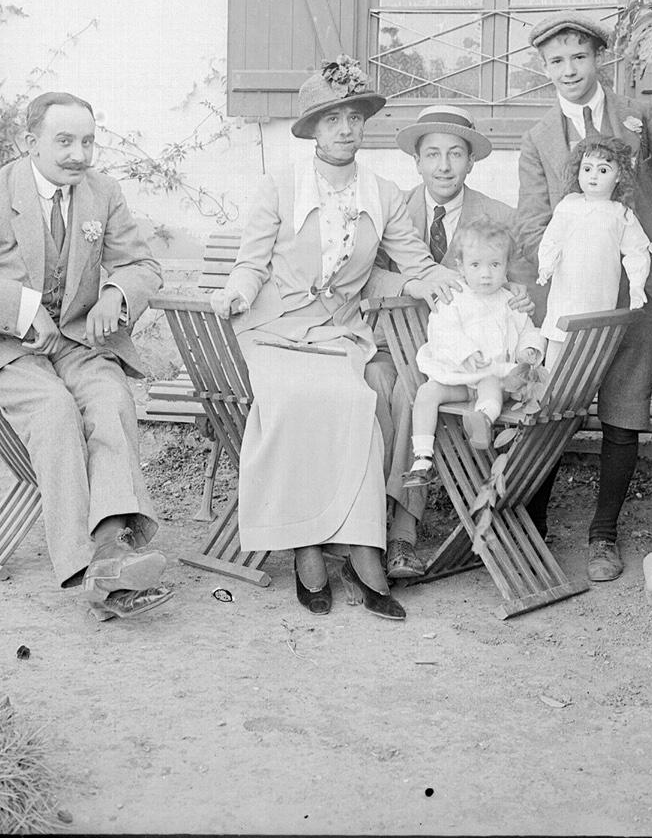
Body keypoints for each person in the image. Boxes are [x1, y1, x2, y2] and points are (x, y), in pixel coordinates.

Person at [210, 57, 461, 621]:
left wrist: (435, 281)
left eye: (353, 118)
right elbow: (251, 263)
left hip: (338, 331)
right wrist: (236, 293)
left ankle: (363, 549)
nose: (345, 129)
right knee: (295, 401)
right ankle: (306, 547)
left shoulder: (383, 193)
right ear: (313, 130)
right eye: (332, 119)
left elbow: (414, 262)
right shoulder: (279, 186)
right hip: (273, 330)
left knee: (357, 401)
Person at [0, 91, 171, 621]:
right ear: (29, 142)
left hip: (77, 342)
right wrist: (23, 308)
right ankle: (95, 569)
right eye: (64, 141)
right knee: (56, 412)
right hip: (11, 350)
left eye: (87, 142)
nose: (78, 155)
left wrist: (115, 295)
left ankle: (111, 548)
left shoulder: (103, 192)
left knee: (110, 401)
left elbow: (143, 265)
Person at [515, 11, 652, 582]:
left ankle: (604, 534)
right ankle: (532, 528)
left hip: (636, 292)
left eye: (579, 57)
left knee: (624, 409)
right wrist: (563, 273)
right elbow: (532, 219)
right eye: (557, 61)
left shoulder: (639, 117)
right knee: (553, 407)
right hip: (571, 300)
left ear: (598, 58)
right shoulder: (539, 138)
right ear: (545, 68)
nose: (569, 69)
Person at [363, 103, 534, 581]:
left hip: (466, 359)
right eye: (433, 154)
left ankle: (402, 532)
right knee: (374, 381)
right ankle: (365, 523)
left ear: (471, 161)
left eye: (455, 154)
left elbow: (523, 281)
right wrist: (411, 283)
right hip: (395, 343)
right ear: (416, 161)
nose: (444, 166)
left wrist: (520, 293)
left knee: (409, 393)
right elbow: (367, 276)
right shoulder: (393, 209)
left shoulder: (497, 217)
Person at [404, 217, 545, 488]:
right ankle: (422, 458)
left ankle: (482, 420)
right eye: (476, 265)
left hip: (493, 378)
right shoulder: (453, 299)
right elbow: (442, 331)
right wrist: (465, 352)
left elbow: (528, 330)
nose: (485, 274)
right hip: (459, 378)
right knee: (427, 392)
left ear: (506, 267)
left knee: (490, 384)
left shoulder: (509, 301)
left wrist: (529, 349)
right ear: (460, 267)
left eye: (495, 265)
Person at [537, 136, 651, 371]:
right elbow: (552, 240)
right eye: (587, 169)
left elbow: (637, 251)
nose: (594, 176)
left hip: (599, 294)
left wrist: (637, 286)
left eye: (603, 170)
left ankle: (579, 389)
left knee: (588, 351)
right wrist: (546, 266)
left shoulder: (620, 213)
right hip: (567, 290)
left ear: (618, 176)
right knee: (558, 339)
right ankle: (549, 386)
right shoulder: (568, 206)